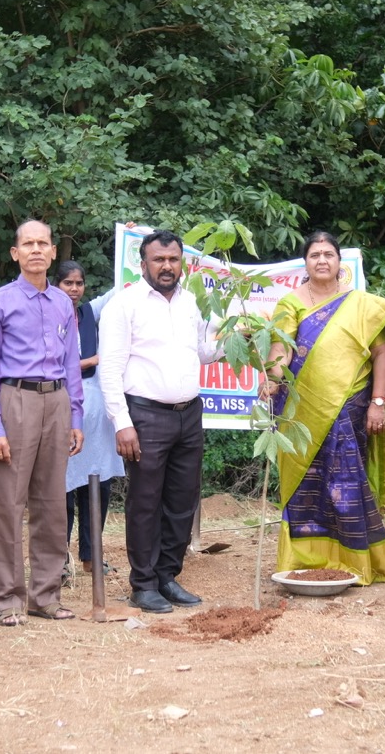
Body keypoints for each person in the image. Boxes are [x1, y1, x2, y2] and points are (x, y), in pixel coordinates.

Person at [259, 232, 385, 584]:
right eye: (314, 255)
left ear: (339, 262)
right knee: (305, 486)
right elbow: (281, 348)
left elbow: (382, 352)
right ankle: (305, 560)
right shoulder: (291, 303)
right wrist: (271, 379)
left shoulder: (362, 304)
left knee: (348, 484)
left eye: (328, 254)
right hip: (301, 413)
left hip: (352, 408)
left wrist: (378, 402)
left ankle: (355, 562)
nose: (321, 260)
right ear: (305, 263)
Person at [98, 229, 221, 614]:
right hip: (145, 416)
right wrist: (122, 422)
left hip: (189, 414)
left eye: (173, 259)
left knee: (183, 499)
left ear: (182, 262)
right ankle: (143, 584)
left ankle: (167, 575)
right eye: (159, 260)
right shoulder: (124, 304)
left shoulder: (191, 302)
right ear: (143, 263)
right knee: (146, 502)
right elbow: (110, 369)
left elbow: (202, 352)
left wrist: (234, 335)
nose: (167, 266)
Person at [0, 220, 84, 626]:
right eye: (28, 243)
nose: (36, 250)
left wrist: (75, 415)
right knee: (9, 504)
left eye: (43, 243)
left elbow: (72, 363)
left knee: (52, 503)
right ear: (15, 253)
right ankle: (6, 599)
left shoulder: (62, 303)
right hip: (15, 400)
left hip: (57, 401)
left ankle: (45, 595)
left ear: (53, 252)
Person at [55, 261, 124, 578]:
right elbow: (50, 364)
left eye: (78, 283)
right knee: (62, 489)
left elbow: (120, 288)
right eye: (67, 283)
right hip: (61, 406)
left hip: (96, 412)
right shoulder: (45, 316)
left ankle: (91, 556)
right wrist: (93, 360)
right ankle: (59, 560)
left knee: (98, 483)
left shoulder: (88, 313)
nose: (74, 289)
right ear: (56, 285)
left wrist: (132, 250)